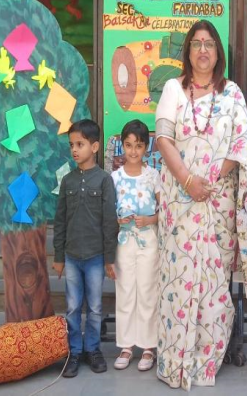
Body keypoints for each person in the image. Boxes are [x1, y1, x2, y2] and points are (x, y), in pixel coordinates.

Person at [154, 19, 247, 390]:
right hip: (179, 205)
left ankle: (205, 362)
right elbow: (163, 139)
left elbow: (241, 146)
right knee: (178, 282)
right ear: (188, 50)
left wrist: (208, 182)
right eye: (196, 43)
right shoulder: (173, 88)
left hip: (217, 204)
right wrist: (188, 180)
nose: (202, 50)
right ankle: (175, 362)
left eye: (209, 44)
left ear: (218, 53)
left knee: (214, 286)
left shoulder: (232, 93)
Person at [53, 119, 119, 378]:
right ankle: (74, 351)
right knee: (72, 307)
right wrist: (59, 256)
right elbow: (60, 221)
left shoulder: (104, 180)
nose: (74, 149)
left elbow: (109, 221)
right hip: (71, 256)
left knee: (94, 307)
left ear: (94, 147)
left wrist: (109, 258)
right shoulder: (68, 181)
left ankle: (92, 349)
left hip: (95, 257)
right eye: (71, 145)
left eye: (80, 144)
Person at [111, 119, 161, 372]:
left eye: (138, 146)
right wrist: (117, 220)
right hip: (124, 241)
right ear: (122, 145)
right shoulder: (114, 178)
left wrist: (150, 219)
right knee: (126, 290)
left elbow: (166, 211)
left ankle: (149, 346)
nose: (133, 151)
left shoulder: (153, 176)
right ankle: (126, 345)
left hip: (149, 240)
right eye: (129, 145)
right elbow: (107, 213)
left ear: (146, 148)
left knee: (148, 291)